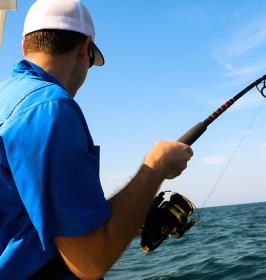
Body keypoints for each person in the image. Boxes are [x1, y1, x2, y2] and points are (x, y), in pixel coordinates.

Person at [0, 0, 193, 279]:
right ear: (84, 48)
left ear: (24, 47)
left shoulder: (7, 98)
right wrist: (156, 166)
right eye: (92, 61)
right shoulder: (50, 109)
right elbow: (89, 262)